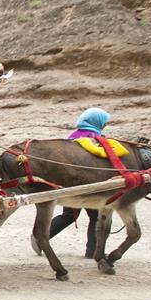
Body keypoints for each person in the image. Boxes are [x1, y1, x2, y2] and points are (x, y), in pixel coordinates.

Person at [37, 107, 110, 258]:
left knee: (69, 215)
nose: (105, 125)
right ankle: (93, 250)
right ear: (97, 122)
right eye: (104, 122)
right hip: (87, 182)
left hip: (69, 180)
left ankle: (39, 238)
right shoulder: (94, 138)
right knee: (95, 216)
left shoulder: (75, 135)